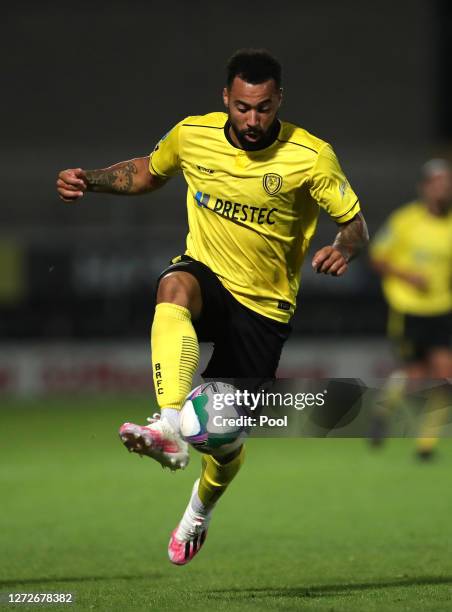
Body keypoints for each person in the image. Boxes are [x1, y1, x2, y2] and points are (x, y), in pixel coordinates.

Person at [57, 49, 368, 564]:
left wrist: (345, 248)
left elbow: (353, 221)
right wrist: (89, 179)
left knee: (219, 438)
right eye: (243, 107)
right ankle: (167, 423)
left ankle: (197, 511)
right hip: (208, 274)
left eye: (264, 108)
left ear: (279, 101)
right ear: (226, 97)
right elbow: (147, 172)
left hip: (264, 308)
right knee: (173, 287)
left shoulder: (310, 156)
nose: (252, 119)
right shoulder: (192, 134)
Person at [369, 159, 452, 457]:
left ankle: (426, 445)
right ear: (424, 188)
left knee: (445, 377)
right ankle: (382, 411)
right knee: (415, 375)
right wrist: (407, 276)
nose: (443, 189)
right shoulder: (405, 221)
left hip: (442, 309)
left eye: (447, 183)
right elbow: (377, 257)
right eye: (437, 183)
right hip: (408, 307)